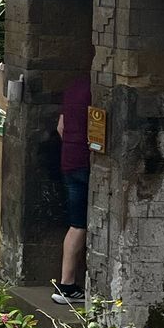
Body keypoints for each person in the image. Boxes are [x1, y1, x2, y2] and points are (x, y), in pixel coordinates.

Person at [55, 72, 92, 306]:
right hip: (87, 161)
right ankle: (68, 286)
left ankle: (66, 281)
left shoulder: (72, 88)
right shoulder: (95, 90)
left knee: (75, 224)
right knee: (82, 225)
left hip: (68, 160)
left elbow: (60, 127)